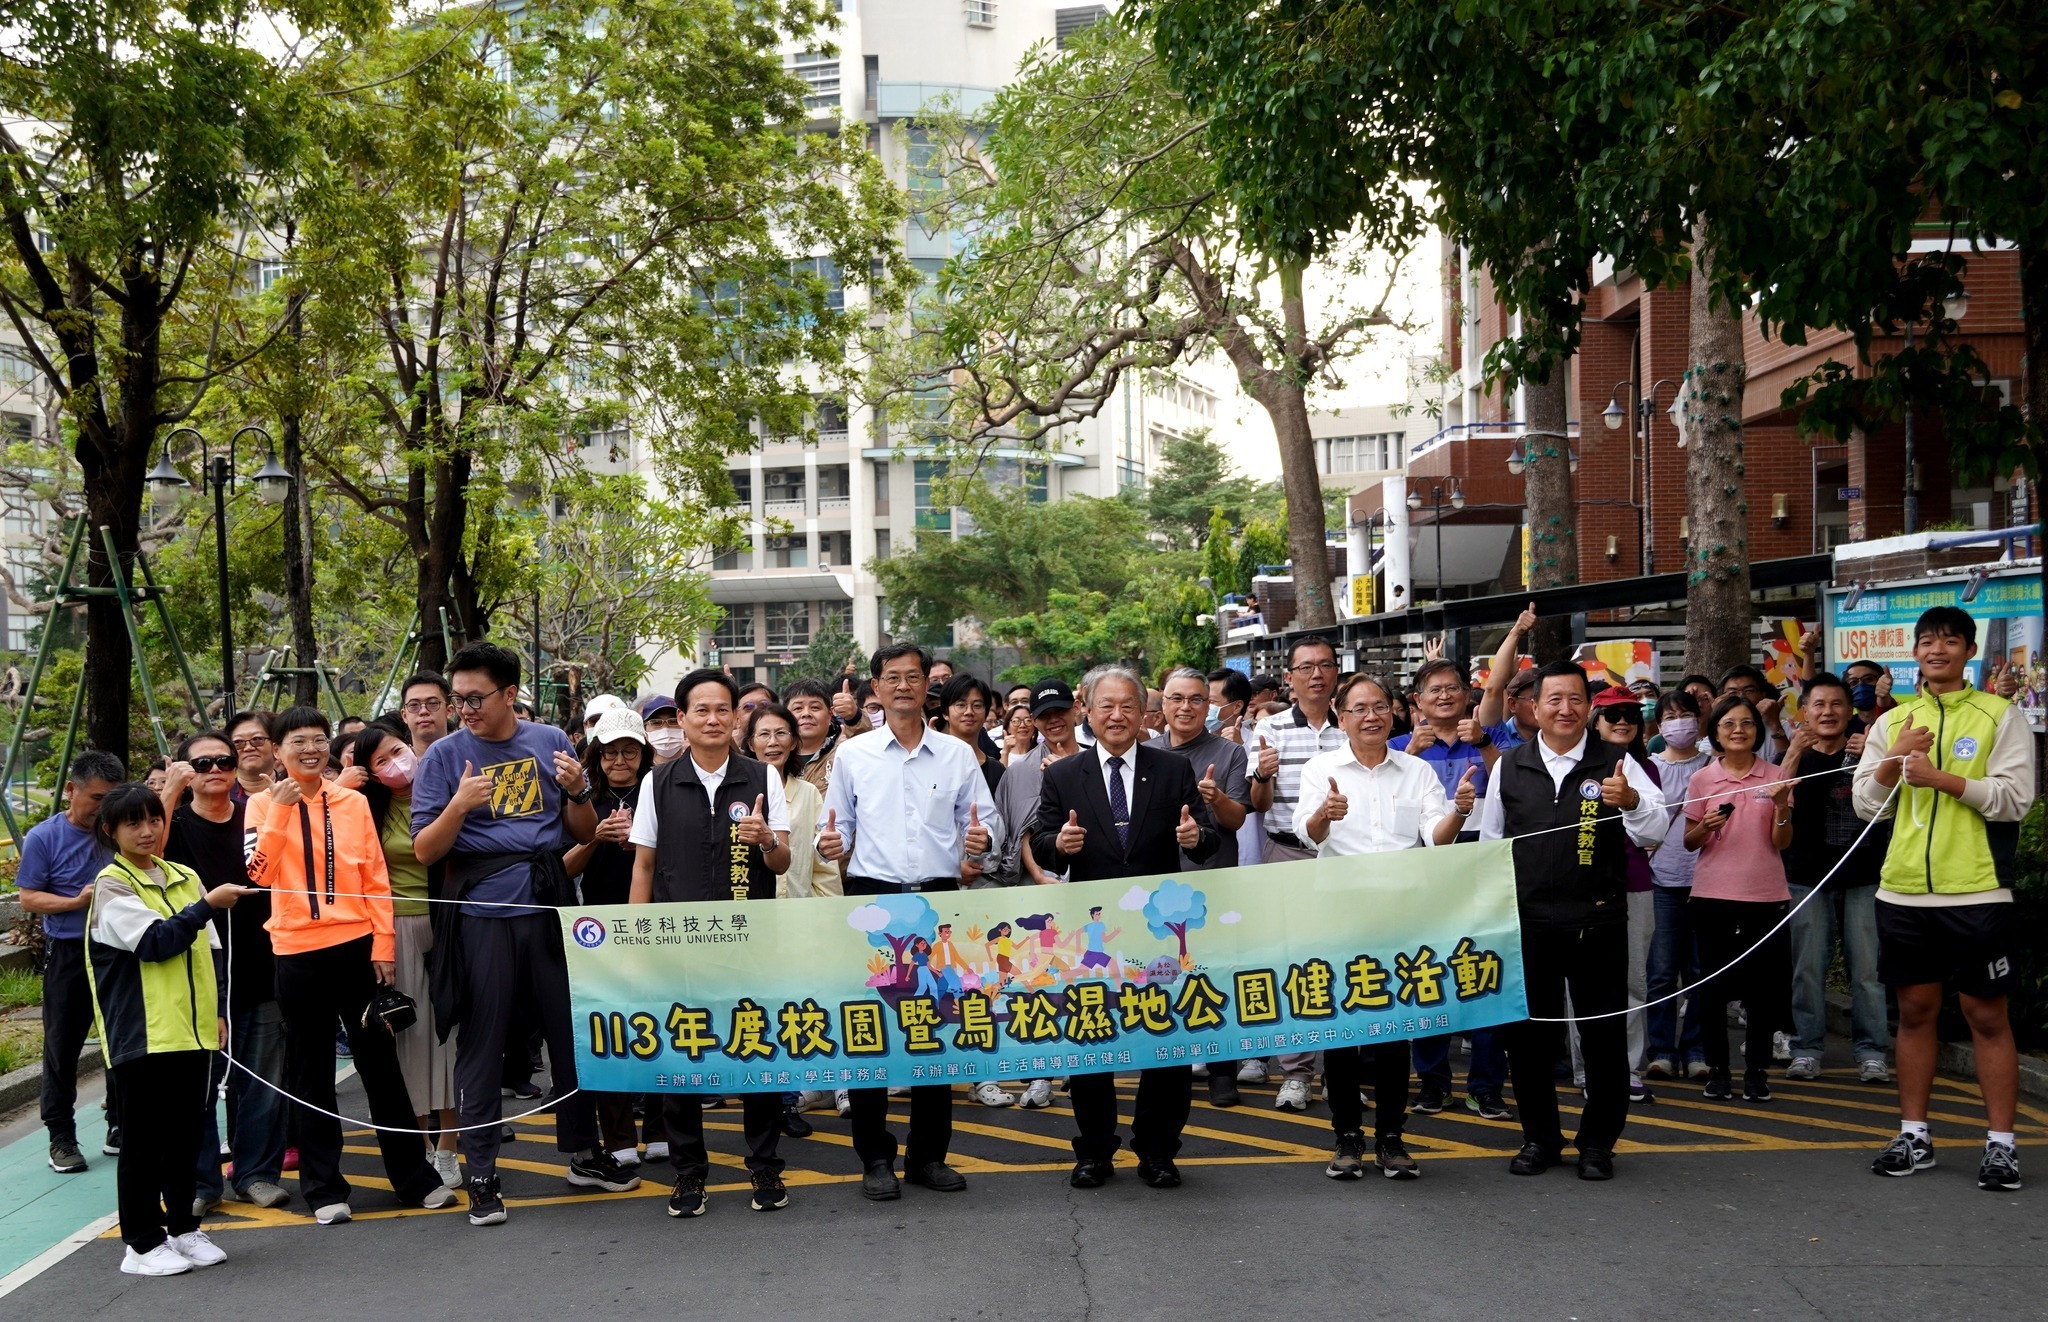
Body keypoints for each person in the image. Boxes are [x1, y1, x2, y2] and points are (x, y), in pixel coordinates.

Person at [412, 642, 632, 1227]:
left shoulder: (549, 742)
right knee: (482, 1043)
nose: (464, 710)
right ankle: (481, 1172)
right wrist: (458, 806)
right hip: (481, 916)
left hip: (548, 905)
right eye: (458, 699)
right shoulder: (443, 758)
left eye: (474, 698)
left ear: (510, 694)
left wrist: (581, 791)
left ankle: (585, 1153)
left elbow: (581, 831)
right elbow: (425, 849)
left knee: (570, 1035)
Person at [245, 706, 458, 1224]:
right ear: (278, 751)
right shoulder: (258, 805)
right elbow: (257, 875)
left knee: (380, 1067)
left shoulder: (352, 802)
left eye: (318, 740)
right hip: (295, 953)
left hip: (356, 947)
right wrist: (277, 810)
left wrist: (383, 947)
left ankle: (413, 1178)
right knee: (310, 1072)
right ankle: (323, 1188)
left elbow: (375, 879)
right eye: (297, 742)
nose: (310, 750)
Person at [1854, 606, 2034, 1190]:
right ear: (1914, 653)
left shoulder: (1999, 715)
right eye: (1927, 641)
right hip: (1902, 891)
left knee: (1986, 1015)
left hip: (1978, 889)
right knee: (1913, 1013)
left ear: (1968, 650)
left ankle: (2002, 1145)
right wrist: (1893, 760)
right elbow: (1864, 806)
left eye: (1950, 641)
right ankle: (1915, 1134)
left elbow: (2015, 799)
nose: (1938, 650)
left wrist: (1945, 780)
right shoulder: (1895, 720)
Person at [817, 642, 998, 1201]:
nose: (902, 686)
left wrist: (980, 840)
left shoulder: (956, 755)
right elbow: (838, 833)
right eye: (891, 677)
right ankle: (874, 1157)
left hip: (941, 902)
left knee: (934, 1030)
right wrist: (830, 844)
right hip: (873, 902)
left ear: (927, 687)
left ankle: (928, 1157)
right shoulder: (855, 755)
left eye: (912, 677)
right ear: (875, 688)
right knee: (871, 1032)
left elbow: (984, 825)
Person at [1030, 667, 1218, 1189]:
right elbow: (1043, 839)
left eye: (1127, 706)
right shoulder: (1064, 774)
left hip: (1157, 933)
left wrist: (1192, 835)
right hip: (1092, 938)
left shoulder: (1173, 768)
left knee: (1166, 1045)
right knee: (1093, 1044)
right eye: (1105, 706)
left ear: (1144, 714)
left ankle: (1157, 1149)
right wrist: (1057, 847)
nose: (1116, 716)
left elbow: (1206, 839)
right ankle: (1094, 1151)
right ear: (1086, 712)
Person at [1479, 660, 1668, 1181]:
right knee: (1531, 1038)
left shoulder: (1619, 760)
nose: (1566, 709)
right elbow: (1492, 845)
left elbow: (1656, 828)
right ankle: (1539, 1137)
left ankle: (1597, 1143)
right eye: (1554, 700)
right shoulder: (1509, 767)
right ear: (1533, 708)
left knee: (1603, 1037)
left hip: (1599, 921)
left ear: (1590, 707)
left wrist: (1629, 801)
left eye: (1576, 699)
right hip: (1529, 923)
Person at [1294, 673, 1473, 1179]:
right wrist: (1326, 816)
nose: (1371, 716)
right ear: (1341, 715)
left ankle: (1391, 1138)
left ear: (1394, 713)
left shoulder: (1416, 771)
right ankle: (1346, 1136)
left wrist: (1459, 812)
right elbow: (1308, 838)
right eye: (1359, 708)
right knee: (1343, 1030)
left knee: (1397, 1029)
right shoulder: (1320, 769)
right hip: (1340, 916)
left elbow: (1436, 841)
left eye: (1379, 706)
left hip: (1402, 917)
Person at [630, 669, 792, 1216]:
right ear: (682, 719)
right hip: (681, 942)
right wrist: (636, 939)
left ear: (736, 716)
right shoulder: (657, 781)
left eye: (724, 709)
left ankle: (766, 1169)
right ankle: (688, 1173)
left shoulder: (763, 778)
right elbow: (645, 864)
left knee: (756, 1051)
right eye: (701, 710)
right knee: (683, 1057)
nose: (714, 719)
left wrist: (767, 838)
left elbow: (783, 861)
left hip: (751, 941)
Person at [83, 783, 250, 1277]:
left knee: (186, 1135)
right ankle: (140, 1242)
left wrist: (218, 1011)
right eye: (133, 822)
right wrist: (207, 906)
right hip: (142, 1034)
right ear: (111, 831)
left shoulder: (183, 875)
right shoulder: (112, 885)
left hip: (192, 1030)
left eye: (153, 820)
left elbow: (214, 952)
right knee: (142, 1142)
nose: (147, 830)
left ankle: (181, 1228)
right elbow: (157, 942)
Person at [162, 734, 289, 1214]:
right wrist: (169, 791)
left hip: (260, 963)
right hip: (195, 972)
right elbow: (136, 843)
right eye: (204, 762)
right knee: (197, 1084)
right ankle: (200, 1183)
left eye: (225, 760)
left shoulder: (254, 815)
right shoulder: (172, 823)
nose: (216, 768)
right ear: (186, 769)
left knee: (260, 1079)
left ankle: (255, 1173)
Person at [1391, 654, 1516, 1120]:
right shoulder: (1399, 745)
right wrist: (1409, 756)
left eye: (1452, 688)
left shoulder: (1492, 737)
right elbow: (1384, 803)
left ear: (1469, 695)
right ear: (1417, 701)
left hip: (1483, 870)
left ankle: (1485, 1086)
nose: (1444, 696)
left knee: (1484, 975)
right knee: (1427, 976)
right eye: (1433, 690)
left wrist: (1482, 742)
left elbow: (1516, 783)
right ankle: (1433, 1082)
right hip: (1424, 875)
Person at [349, 719, 463, 1189]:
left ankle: (451, 1147)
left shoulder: (444, 792)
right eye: (381, 760)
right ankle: (420, 1147)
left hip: (449, 923)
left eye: (398, 749)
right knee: (409, 1040)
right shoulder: (364, 811)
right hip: (394, 930)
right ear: (370, 773)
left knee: (452, 1034)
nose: (397, 762)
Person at [559, 705, 665, 1166]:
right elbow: (560, 870)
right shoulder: (580, 800)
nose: (619, 761)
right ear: (596, 755)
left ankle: (662, 1126)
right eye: (610, 753)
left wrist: (641, 844)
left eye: (629, 751)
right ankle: (619, 1136)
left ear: (643, 753)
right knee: (611, 1029)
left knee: (665, 1021)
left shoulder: (662, 793)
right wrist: (595, 838)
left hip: (658, 924)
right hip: (598, 931)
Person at [1248, 634, 1346, 1109]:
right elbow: (1258, 804)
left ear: (1336, 673)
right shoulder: (1271, 731)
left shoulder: (1352, 726)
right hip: (1287, 854)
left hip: (1344, 857)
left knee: (1348, 957)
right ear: (1289, 677)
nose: (1315, 674)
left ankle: (1342, 1068)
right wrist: (1263, 775)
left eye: (1324, 665)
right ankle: (1296, 1071)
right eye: (1305, 667)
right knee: (1295, 964)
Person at [1147, 667, 1254, 1106]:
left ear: (1208, 706)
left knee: (1214, 973)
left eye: (1195, 699)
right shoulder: (1144, 751)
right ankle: (1167, 1059)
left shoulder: (1228, 753)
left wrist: (1216, 799)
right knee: (1160, 974)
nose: (1185, 707)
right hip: (1157, 880)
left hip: (1211, 880)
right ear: (1162, 706)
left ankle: (1222, 1069)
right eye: (1176, 699)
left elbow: (1237, 819)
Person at [1778, 674, 1891, 1084]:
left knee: (1867, 971)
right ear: (1804, 711)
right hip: (1806, 877)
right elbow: (1771, 802)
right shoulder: (1796, 754)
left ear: (1849, 711)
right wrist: (1791, 754)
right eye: (1819, 704)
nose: (1828, 712)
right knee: (1807, 968)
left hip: (1864, 874)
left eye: (1837, 704)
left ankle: (1872, 1051)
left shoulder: (1868, 749)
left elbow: (1890, 798)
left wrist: (1875, 758)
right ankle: (1806, 1048)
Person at [1682, 692, 1795, 1102]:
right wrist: (1707, 826)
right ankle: (1718, 1072)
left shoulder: (1775, 775)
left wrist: (1781, 807)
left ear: (1757, 730)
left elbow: (1782, 842)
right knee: (1711, 989)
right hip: (1712, 897)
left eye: (1746, 723)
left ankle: (1756, 1073)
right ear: (1715, 732)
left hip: (1766, 897)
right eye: (1728, 724)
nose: (1738, 731)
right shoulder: (1702, 780)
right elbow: (1690, 841)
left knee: (1763, 992)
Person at [21, 749, 125, 1174]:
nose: (104, 808)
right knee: (62, 1046)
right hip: (67, 950)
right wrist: (75, 901)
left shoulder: (115, 829)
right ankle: (61, 1137)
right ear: (71, 790)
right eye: (97, 798)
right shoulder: (43, 837)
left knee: (123, 1040)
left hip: (115, 947)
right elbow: (29, 897)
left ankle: (119, 1123)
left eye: (111, 799)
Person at [741, 700, 839, 1136]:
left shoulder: (810, 793)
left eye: (782, 733)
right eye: (764, 734)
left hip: (796, 917)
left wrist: (826, 921)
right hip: (747, 922)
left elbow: (822, 867)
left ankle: (786, 1102)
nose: (773, 742)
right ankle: (755, 1098)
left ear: (795, 742)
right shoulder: (736, 790)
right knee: (752, 1011)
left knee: (789, 1010)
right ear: (748, 742)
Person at [1587, 687, 1664, 1104]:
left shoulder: (1647, 769)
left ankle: (1627, 1066)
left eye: (1631, 715)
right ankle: (1586, 1068)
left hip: (1632, 882)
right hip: (1579, 885)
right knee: (1579, 985)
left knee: (1632, 980)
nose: (1622, 722)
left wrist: (1631, 801)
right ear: (1594, 721)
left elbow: (1655, 830)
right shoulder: (1577, 763)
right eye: (1612, 714)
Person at [1645, 688, 1711, 1081]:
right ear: (1659, 725)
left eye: (1684, 714)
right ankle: (1662, 1050)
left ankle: (1697, 1050)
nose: (1678, 723)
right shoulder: (1648, 767)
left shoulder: (1713, 766)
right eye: (1668, 716)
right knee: (1662, 971)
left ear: (1698, 719)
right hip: (1661, 880)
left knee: (1702, 970)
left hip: (1708, 879)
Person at [935, 673, 1004, 799]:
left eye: (977, 706)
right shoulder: (931, 762)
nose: (969, 712)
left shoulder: (996, 771)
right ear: (945, 712)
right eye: (961, 705)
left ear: (986, 713)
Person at [783, 678, 848, 795]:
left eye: (815, 708)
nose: (806, 714)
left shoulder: (842, 756)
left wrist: (854, 716)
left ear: (830, 715)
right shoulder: (774, 757)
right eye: (798, 708)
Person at [400, 672, 454, 757]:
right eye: (414, 705)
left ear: (449, 711)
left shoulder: (471, 756)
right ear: (404, 716)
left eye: (432, 703)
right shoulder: (400, 767)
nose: (423, 711)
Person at [226, 711, 277, 801]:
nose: (248, 748)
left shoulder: (295, 790)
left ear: (275, 746)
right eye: (238, 742)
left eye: (257, 739)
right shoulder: (222, 797)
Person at [638, 692, 686, 764]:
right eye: (656, 722)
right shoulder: (638, 771)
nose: (665, 729)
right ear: (644, 729)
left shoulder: (699, 768)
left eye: (673, 721)